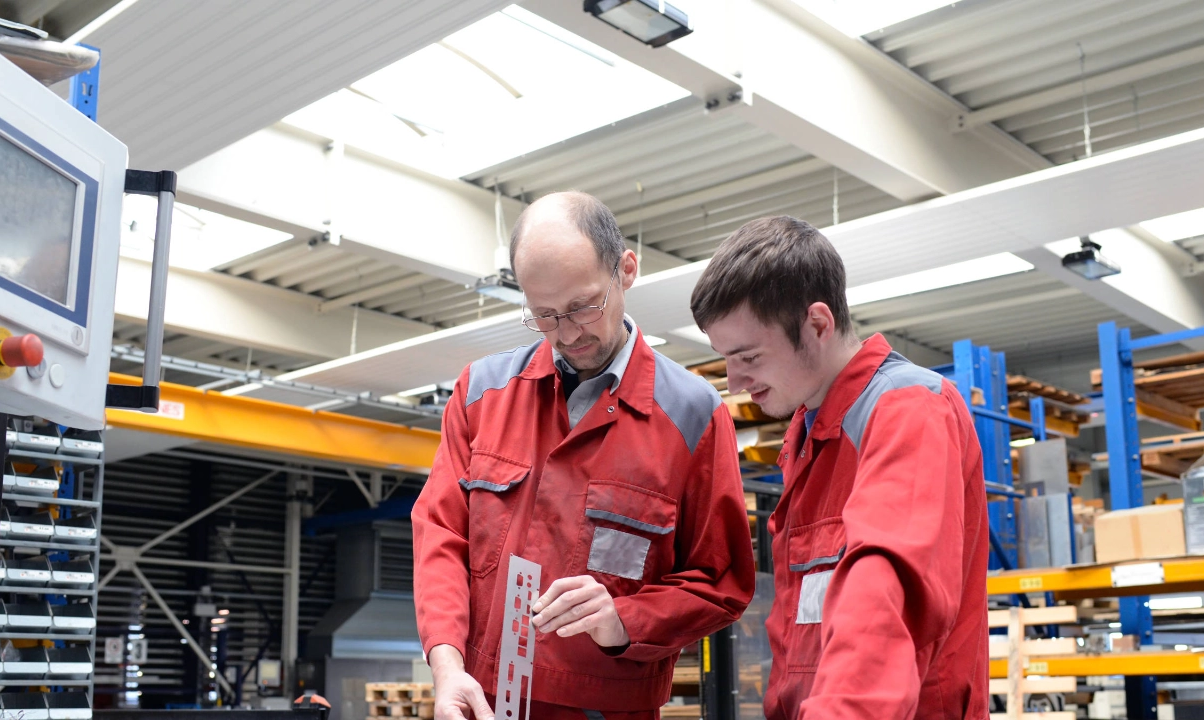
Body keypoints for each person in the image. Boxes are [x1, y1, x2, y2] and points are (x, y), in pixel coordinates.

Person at [412, 191, 755, 720]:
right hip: (482, 701)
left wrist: (624, 619)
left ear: (627, 270)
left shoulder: (693, 416)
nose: (568, 333)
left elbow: (721, 582)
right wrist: (448, 667)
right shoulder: (482, 394)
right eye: (544, 316)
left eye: (581, 307)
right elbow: (441, 535)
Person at [689, 216, 988, 720]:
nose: (735, 383)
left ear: (818, 325)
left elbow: (881, 597)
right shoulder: (809, 434)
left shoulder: (907, 411)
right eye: (725, 360)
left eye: (749, 357)